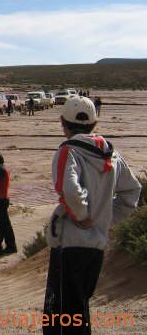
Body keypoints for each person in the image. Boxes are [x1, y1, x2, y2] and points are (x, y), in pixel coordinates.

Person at [43, 97, 141, 335]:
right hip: (96, 245)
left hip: (70, 245)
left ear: (62, 122)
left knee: (62, 317)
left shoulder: (69, 152)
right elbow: (132, 191)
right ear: (94, 124)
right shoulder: (111, 154)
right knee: (79, 310)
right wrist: (107, 219)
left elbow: (69, 188)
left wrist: (81, 215)